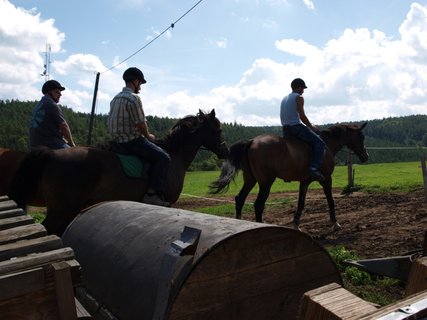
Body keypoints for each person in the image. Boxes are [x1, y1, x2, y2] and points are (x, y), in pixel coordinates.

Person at [108, 67, 171, 207]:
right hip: (131, 142)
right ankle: (152, 195)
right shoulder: (134, 98)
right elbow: (140, 123)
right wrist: (148, 136)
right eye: (140, 83)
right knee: (163, 157)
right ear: (135, 81)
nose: (140, 87)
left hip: (115, 142)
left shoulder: (115, 98)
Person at [280, 78, 326, 181]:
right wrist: (311, 127)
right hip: (296, 128)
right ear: (299, 87)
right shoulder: (299, 97)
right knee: (320, 144)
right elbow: (302, 116)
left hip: (285, 130)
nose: (303, 91)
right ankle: (314, 168)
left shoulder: (284, 98)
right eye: (303, 88)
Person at [29, 80, 76, 150]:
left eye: (60, 93)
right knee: (75, 156)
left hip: (34, 145)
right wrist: (72, 144)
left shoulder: (38, 105)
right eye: (57, 92)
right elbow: (64, 126)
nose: (60, 94)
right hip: (49, 144)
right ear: (48, 92)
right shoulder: (52, 105)